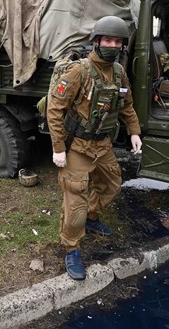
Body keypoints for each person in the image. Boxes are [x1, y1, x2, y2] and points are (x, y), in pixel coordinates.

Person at [46, 16, 142, 281]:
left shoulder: (120, 72)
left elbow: (126, 105)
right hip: (77, 146)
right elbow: (55, 108)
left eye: (117, 41)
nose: (112, 45)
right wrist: (58, 148)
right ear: (97, 41)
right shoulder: (79, 71)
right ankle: (72, 248)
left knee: (112, 185)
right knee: (75, 203)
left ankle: (92, 216)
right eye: (108, 40)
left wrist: (134, 131)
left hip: (102, 145)